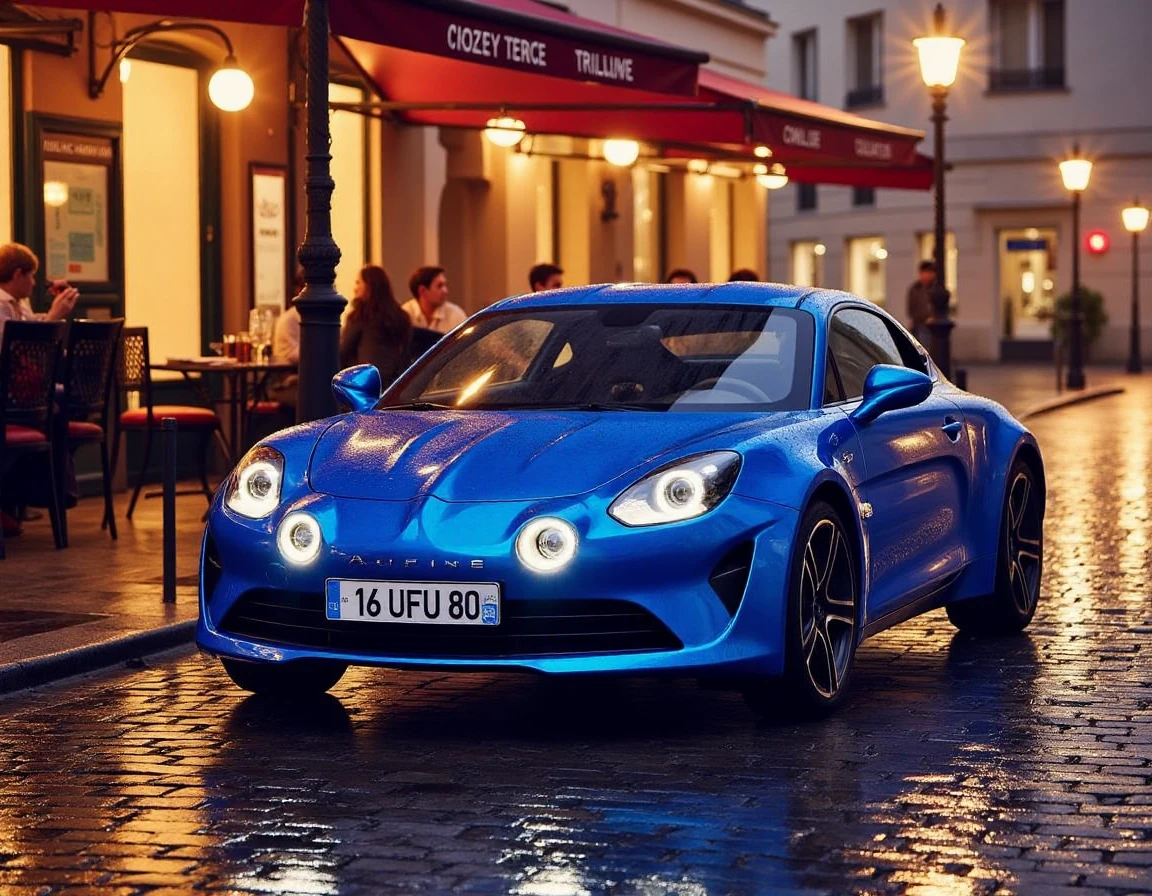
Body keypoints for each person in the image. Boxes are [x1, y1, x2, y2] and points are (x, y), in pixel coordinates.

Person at [340, 265, 412, 385]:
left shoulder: (360, 316)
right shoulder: (401, 316)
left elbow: (344, 351)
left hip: (365, 382)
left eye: (358, 283)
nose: (355, 288)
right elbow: (405, 353)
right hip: (394, 383)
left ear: (369, 286)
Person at [0, 242, 79, 343]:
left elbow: (32, 328)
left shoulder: (20, 303)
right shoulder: (2, 306)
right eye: (31, 276)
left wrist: (60, 306)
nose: (34, 283)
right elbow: (20, 349)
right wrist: (54, 315)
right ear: (18, 275)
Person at [401, 265, 466, 334]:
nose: (446, 291)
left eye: (445, 285)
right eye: (439, 286)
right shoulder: (405, 315)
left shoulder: (456, 314)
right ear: (422, 291)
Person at [906, 260, 936, 344]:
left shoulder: (936, 288)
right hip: (918, 324)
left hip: (932, 325)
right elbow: (911, 307)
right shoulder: (915, 288)